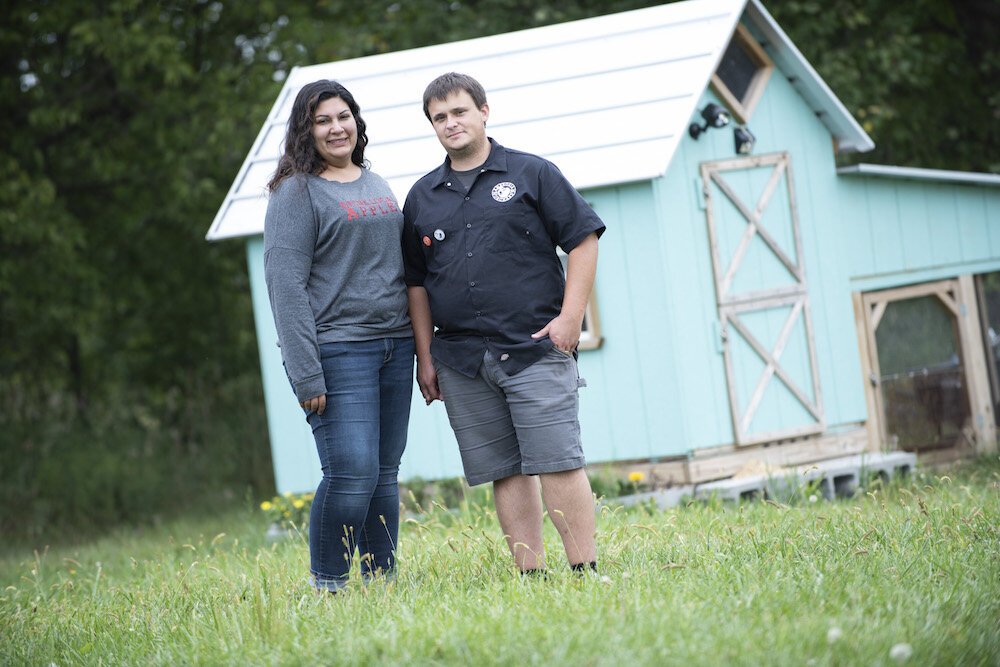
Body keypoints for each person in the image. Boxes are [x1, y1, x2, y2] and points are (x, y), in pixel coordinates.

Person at [402, 72, 605, 575]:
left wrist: (570, 319)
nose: (451, 123)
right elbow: (417, 284)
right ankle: (530, 575)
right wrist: (425, 358)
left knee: (557, 459)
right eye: (439, 117)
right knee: (504, 471)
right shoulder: (422, 197)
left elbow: (582, 240)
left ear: (484, 111)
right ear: (431, 125)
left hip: (536, 346)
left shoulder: (533, 173)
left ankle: (585, 569)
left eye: (459, 112)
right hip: (463, 361)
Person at [263, 80, 414, 593]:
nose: (336, 127)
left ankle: (381, 581)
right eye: (323, 120)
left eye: (343, 116)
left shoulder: (376, 184)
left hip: (395, 346)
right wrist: (305, 370)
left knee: (383, 474)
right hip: (338, 350)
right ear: (306, 130)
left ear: (357, 121)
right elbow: (285, 286)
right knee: (351, 473)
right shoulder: (295, 191)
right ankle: (328, 585)